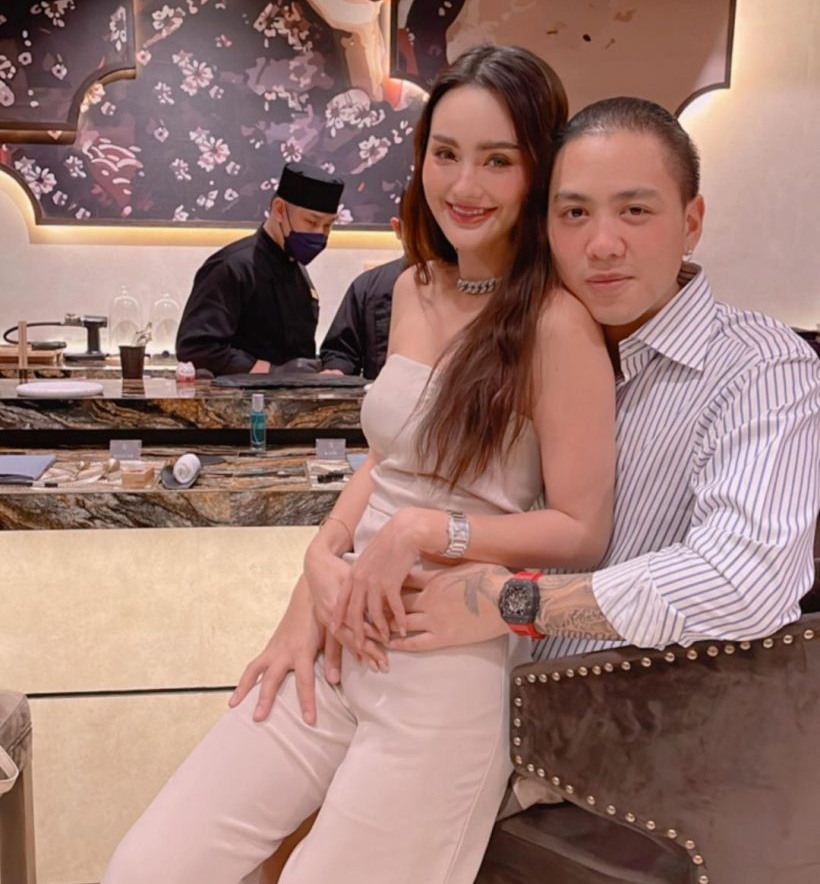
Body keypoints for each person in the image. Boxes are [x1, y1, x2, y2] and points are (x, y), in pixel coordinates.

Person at [231, 95, 820, 846]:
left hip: (615, 750)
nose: (601, 244)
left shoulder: (758, 366)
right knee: (259, 820)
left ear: (691, 221)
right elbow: (403, 464)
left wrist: (513, 603)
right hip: (456, 676)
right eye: (574, 213)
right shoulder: (531, 333)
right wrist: (316, 578)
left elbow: (742, 581)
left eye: (636, 211)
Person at [102, 44, 617, 884]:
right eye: (446, 153)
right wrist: (319, 560)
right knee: (149, 867)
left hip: (445, 659)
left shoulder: (556, 324)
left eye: (498, 159)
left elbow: (582, 528)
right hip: (338, 634)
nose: (465, 184)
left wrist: (426, 532)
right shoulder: (413, 287)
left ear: (539, 169)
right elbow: (390, 457)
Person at [175, 163, 344, 376]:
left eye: (328, 225)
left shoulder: (298, 270)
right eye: (311, 221)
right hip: (239, 397)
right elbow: (197, 349)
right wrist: (273, 372)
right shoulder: (231, 266)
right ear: (279, 210)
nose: (320, 233)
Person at [319, 212, 405, 379]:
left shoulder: (460, 283)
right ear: (398, 228)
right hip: (380, 392)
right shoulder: (369, 285)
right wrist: (336, 371)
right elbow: (341, 352)